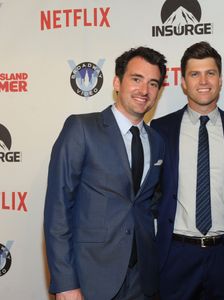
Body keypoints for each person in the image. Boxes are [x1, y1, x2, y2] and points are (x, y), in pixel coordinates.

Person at [44, 46, 167, 300]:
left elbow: (146, 203)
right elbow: (58, 210)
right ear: (116, 82)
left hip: (143, 280)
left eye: (153, 83)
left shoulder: (157, 141)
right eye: (136, 79)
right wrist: (65, 284)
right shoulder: (81, 129)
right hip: (91, 278)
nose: (144, 90)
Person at [150, 41, 224, 300]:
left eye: (210, 73)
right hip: (175, 255)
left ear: (220, 79)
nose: (203, 81)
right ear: (183, 82)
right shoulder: (159, 131)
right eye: (195, 74)